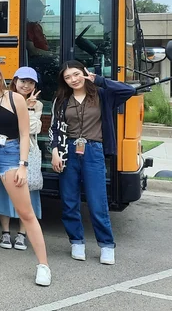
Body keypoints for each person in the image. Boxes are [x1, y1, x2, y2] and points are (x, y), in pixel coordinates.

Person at [0, 60, 51, 286]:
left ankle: (43, 265)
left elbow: (25, 134)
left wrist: (23, 165)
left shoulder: (16, 99)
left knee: (26, 212)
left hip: (12, 154)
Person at [50, 61, 135, 266]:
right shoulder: (62, 99)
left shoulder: (101, 94)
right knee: (69, 200)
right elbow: (55, 128)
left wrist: (99, 80)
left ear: (85, 73)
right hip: (68, 150)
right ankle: (76, 241)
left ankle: (106, 244)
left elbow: (128, 90)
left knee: (97, 201)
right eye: (68, 77)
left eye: (77, 74)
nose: (73, 79)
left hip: (93, 150)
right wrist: (54, 152)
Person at [0, 67, 43, 251]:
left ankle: (22, 234)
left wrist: (29, 108)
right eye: (23, 81)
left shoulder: (36, 105)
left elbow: (33, 128)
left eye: (30, 82)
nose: (26, 85)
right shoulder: (4, 99)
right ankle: (6, 232)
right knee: (4, 191)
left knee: (28, 192)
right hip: (6, 150)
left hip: (27, 152)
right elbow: (3, 125)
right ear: (14, 81)